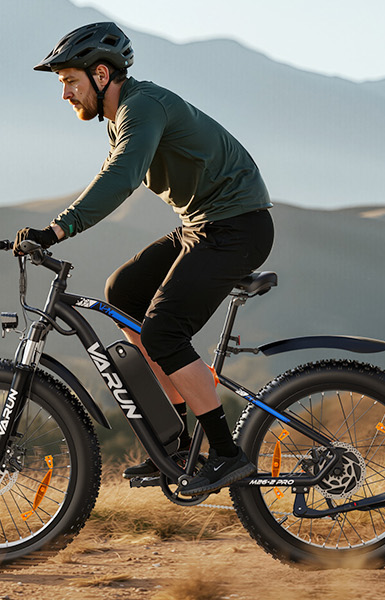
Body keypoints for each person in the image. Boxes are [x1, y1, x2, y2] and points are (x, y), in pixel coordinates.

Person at [16, 22, 274, 496]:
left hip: (237, 226)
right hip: (204, 224)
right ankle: (178, 447)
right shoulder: (121, 117)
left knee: (163, 332)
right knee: (124, 294)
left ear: (100, 73)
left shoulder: (142, 107)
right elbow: (115, 171)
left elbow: (122, 176)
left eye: (70, 82)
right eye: (62, 85)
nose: (66, 94)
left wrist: (57, 229)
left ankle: (225, 453)